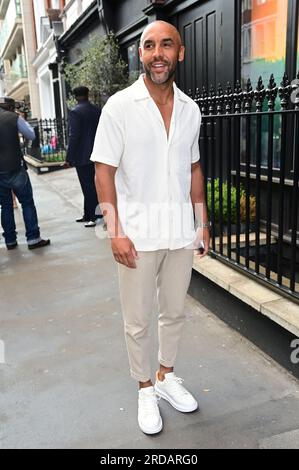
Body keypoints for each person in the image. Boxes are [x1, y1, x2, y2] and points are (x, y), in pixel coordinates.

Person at [91, 21, 210, 435]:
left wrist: (201, 222)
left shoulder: (191, 109)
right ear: (140, 54)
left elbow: (194, 168)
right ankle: (144, 388)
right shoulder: (119, 106)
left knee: (174, 312)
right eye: (148, 46)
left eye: (166, 45)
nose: (157, 53)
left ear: (181, 52)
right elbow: (103, 171)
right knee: (138, 319)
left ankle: (165, 377)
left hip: (179, 232)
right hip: (137, 236)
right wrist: (114, 229)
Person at [0, 96, 50, 250]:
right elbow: (31, 135)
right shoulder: (14, 117)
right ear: (10, 107)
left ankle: (10, 241)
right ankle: (33, 239)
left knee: (5, 206)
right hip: (15, 166)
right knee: (27, 202)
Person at [66, 86, 102, 227]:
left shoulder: (75, 112)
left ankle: (93, 216)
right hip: (97, 153)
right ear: (88, 94)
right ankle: (88, 214)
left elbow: (74, 136)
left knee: (88, 187)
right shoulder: (97, 110)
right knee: (95, 185)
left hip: (83, 155)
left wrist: (69, 157)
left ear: (75, 96)